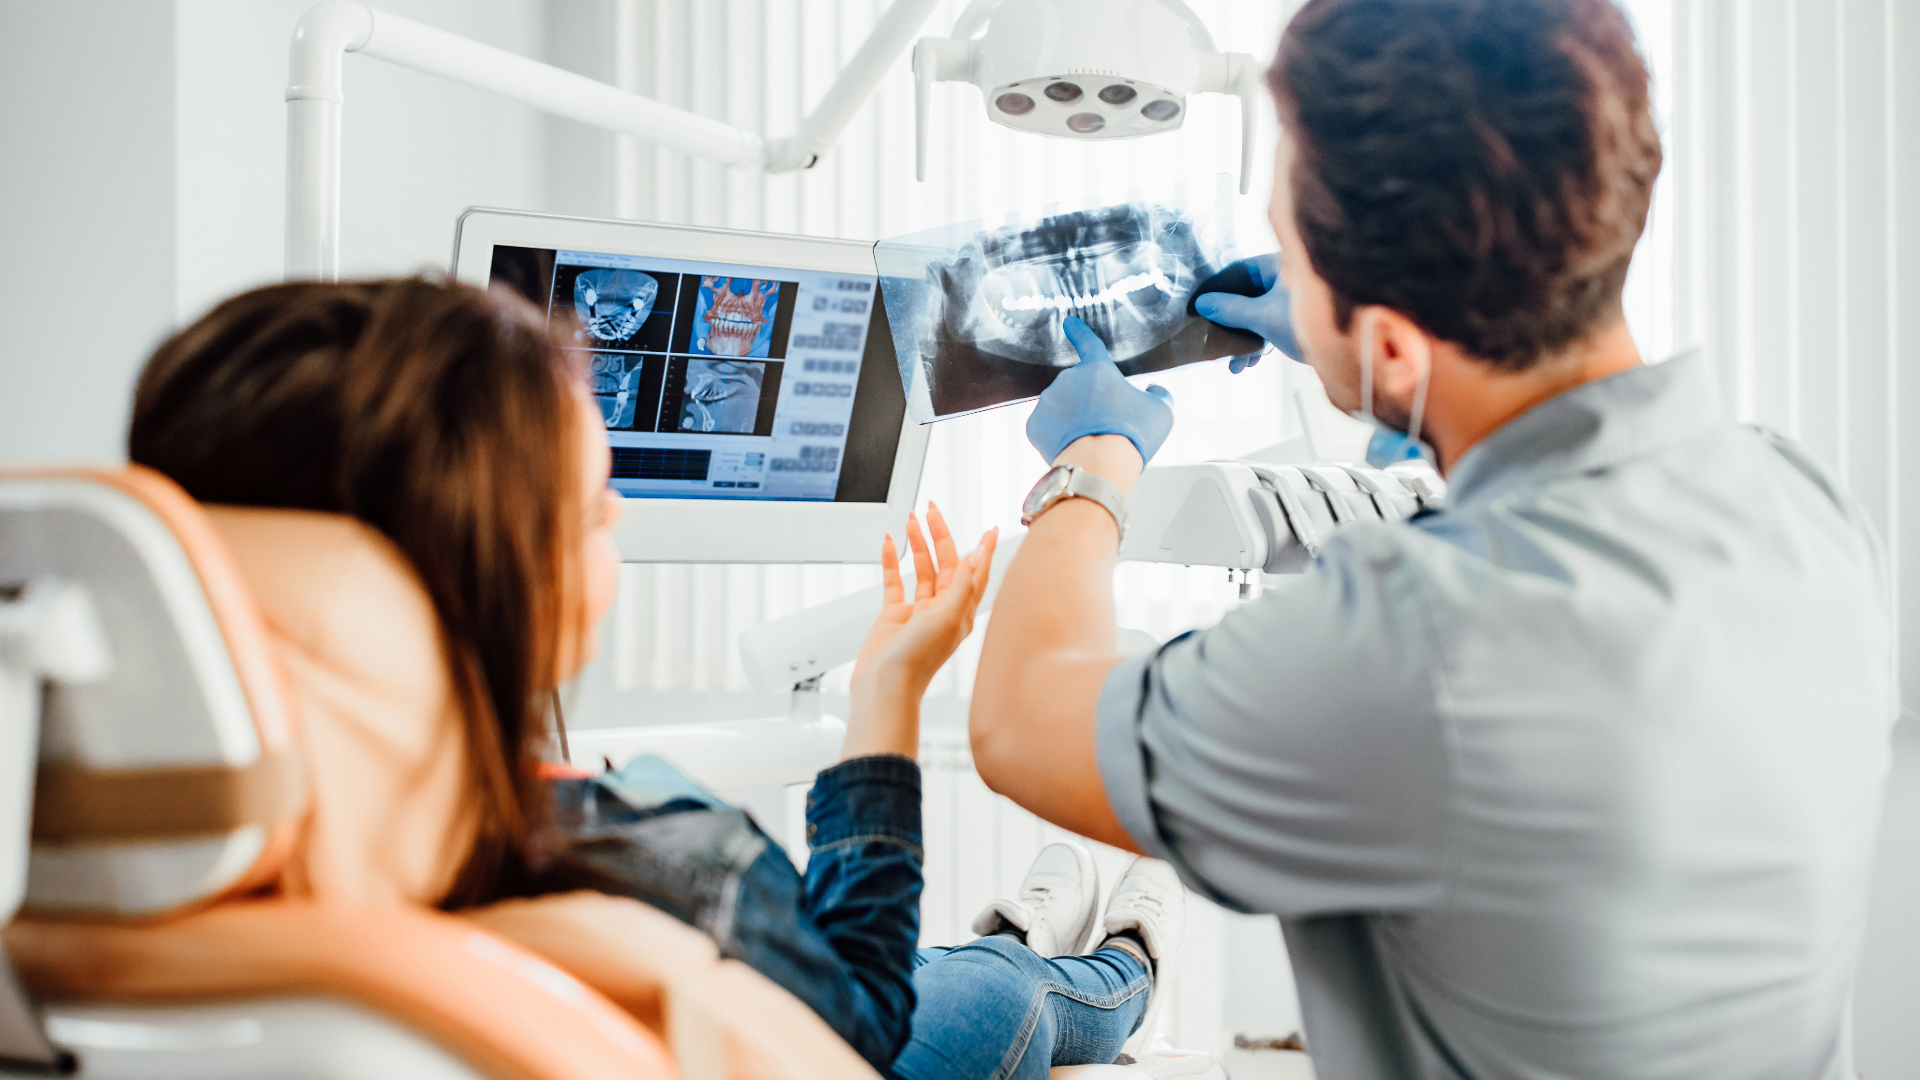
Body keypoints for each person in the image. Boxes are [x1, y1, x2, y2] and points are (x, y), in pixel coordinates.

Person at [969, 2, 1895, 1079]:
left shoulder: (1413, 645)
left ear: (1396, 342)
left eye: (1295, 249)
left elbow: (1021, 720)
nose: (1285, 272)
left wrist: (1094, 463)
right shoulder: (1805, 503)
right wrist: (1389, 380)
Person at [123, 276, 1185, 1080]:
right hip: (841, 1022)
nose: (618, 515)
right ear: (493, 580)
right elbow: (862, 1015)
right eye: (590, 507)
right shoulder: (668, 884)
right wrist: (891, 693)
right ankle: (1125, 965)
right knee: (998, 994)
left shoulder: (144, 899)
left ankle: (1030, 925)